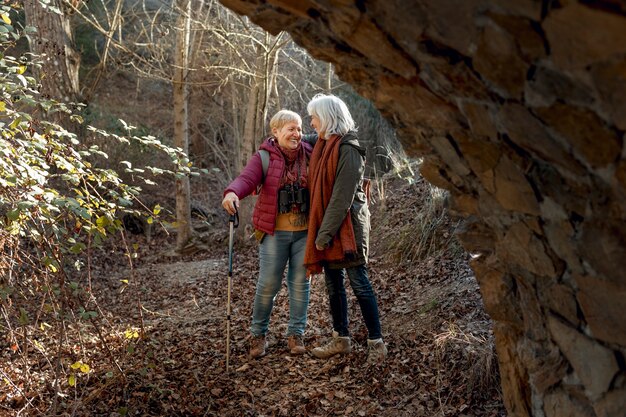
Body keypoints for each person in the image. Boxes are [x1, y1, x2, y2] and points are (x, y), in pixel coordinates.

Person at [303, 93, 387, 365]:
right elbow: (305, 139)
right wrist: (281, 138)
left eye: (314, 117)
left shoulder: (349, 149)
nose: (311, 122)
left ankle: (377, 342)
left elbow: (342, 198)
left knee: (359, 283)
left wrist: (323, 234)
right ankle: (342, 339)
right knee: (333, 286)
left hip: (348, 228)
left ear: (327, 117)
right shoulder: (324, 144)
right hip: (330, 227)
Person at [222, 110, 312, 358]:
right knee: (268, 285)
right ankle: (258, 335)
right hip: (274, 233)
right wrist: (232, 193)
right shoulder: (264, 157)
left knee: (300, 285)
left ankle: (296, 334)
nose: (297, 134)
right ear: (276, 131)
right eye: (291, 129)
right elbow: (246, 179)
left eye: (299, 129)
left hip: (304, 232)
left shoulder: (309, 153)